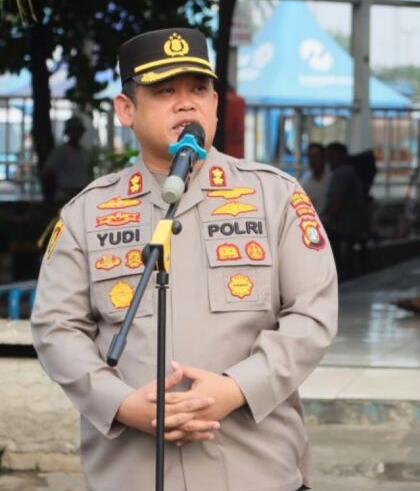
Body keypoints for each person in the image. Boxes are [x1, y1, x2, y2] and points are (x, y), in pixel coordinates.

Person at [31, 27, 337, 491]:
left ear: (215, 103)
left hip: (255, 468)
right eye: (164, 91)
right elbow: (57, 328)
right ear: (126, 110)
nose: (186, 103)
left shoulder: (274, 197)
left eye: (199, 89)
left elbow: (312, 314)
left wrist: (236, 388)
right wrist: (119, 403)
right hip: (130, 472)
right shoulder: (88, 212)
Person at [322, 141, 370, 275]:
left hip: (346, 224)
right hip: (353, 223)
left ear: (338, 155)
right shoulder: (348, 170)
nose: (327, 161)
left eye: (329, 156)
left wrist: (325, 220)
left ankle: (335, 272)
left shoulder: (342, 173)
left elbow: (338, 199)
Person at [42, 115, 94, 206]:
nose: (76, 133)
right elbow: (48, 173)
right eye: (74, 130)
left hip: (82, 195)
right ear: (68, 133)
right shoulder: (60, 151)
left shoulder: (85, 152)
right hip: (64, 195)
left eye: (78, 130)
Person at [300, 142, 329, 213]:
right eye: (310, 157)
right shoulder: (304, 182)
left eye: (316, 156)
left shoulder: (333, 176)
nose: (313, 160)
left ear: (324, 157)